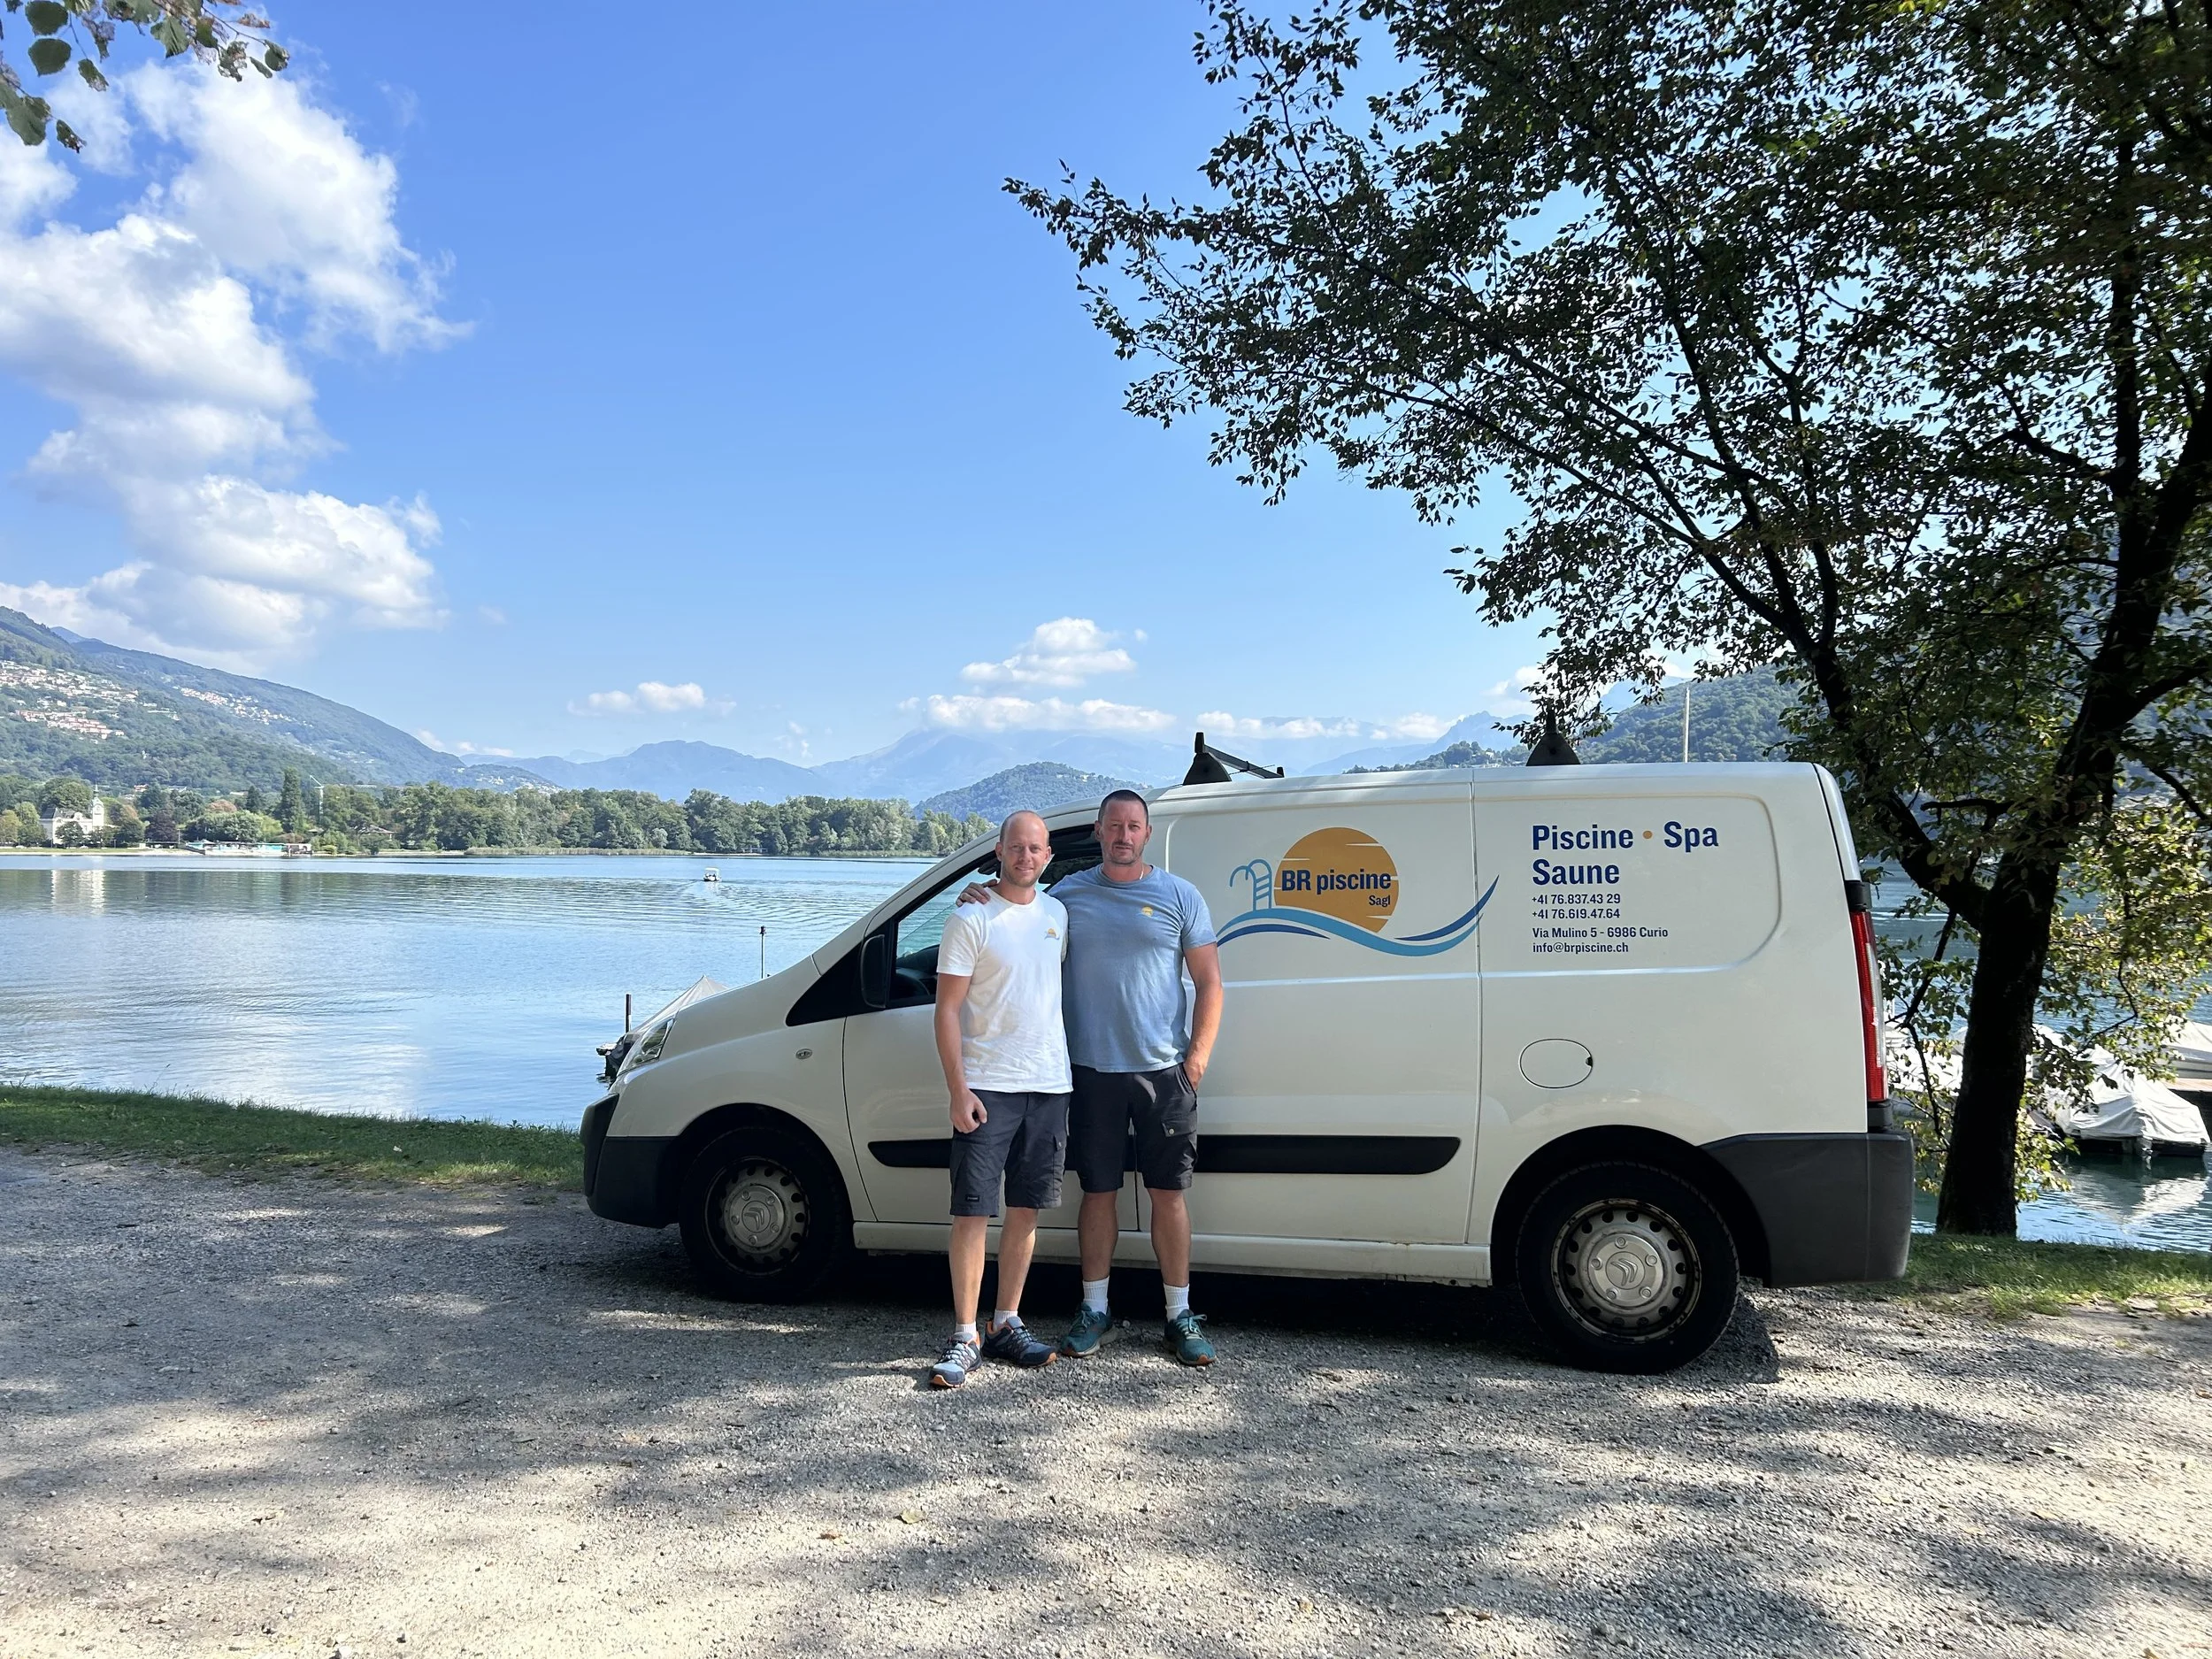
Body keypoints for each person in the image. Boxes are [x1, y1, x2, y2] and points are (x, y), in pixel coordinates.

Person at [964, 788, 1224, 1365]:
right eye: (1114, 825)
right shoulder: (1067, 896)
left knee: (1169, 1194)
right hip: (1090, 1073)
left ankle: (1180, 1315)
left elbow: (1210, 982)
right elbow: (1018, 908)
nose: (1123, 835)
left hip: (1164, 1072)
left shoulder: (1180, 895)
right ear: (1099, 832)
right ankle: (1094, 1308)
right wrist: (976, 895)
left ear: (1147, 834)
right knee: (1098, 1191)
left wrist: (1196, 1060)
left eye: (1133, 826)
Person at [927, 809, 1071, 1388]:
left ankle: (1006, 1321)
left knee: (1026, 1209)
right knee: (971, 1212)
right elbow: (946, 1010)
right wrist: (958, 1088)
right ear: (999, 851)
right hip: (987, 1085)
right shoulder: (970, 916)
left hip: (1049, 1084)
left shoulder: (1057, 913)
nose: (1026, 856)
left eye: (1036, 848)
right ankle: (965, 1335)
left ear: (1048, 856)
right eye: (1017, 846)